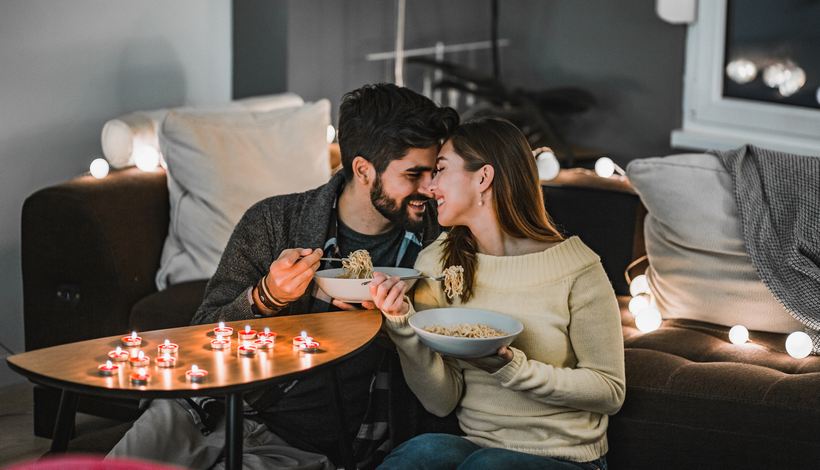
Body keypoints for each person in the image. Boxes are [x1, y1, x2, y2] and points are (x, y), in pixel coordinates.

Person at [107, 84, 459, 469]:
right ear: (362, 169)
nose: (430, 187)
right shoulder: (274, 222)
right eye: (414, 174)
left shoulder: (440, 244)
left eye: (435, 171)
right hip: (211, 411)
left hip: (307, 448)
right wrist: (266, 297)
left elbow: (450, 373)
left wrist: (393, 328)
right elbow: (202, 335)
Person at [365, 118, 625, 470]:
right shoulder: (438, 263)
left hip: (566, 457)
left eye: (441, 170)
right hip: (476, 446)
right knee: (417, 455)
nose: (430, 186)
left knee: (487, 466)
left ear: (483, 178)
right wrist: (402, 324)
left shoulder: (576, 268)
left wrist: (512, 368)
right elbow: (441, 402)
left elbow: (610, 391)